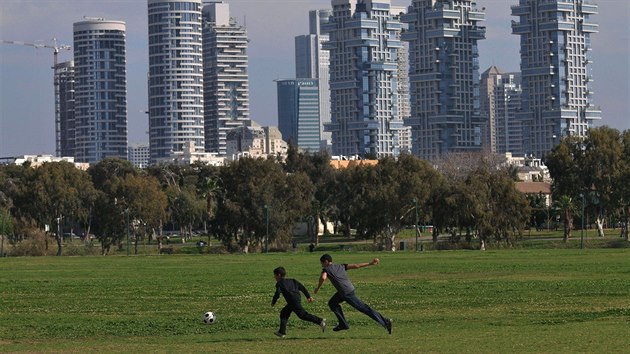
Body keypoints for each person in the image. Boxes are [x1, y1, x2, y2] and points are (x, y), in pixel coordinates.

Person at [314, 254, 392, 334]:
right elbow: (356, 265)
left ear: (326, 262)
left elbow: (323, 278)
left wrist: (318, 288)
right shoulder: (341, 266)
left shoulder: (326, 269)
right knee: (332, 303)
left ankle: (386, 321)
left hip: (346, 293)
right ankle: (343, 324)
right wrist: (370, 263)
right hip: (347, 290)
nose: (322, 265)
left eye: (322, 263)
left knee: (364, 308)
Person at [272, 266, 326, 338]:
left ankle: (320, 321)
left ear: (278, 275)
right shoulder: (293, 280)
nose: (274, 277)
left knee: (302, 315)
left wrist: (273, 302)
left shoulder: (279, 283)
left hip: (293, 301)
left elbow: (277, 293)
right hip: (296, 299)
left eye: (275, 275)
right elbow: (302, 287)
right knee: (284, 313)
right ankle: (282, 332)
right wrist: (308, 296)